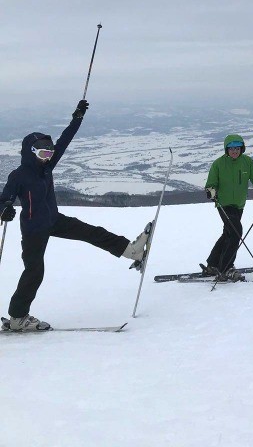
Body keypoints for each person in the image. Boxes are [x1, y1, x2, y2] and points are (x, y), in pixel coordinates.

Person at [0, 100, 150, 332]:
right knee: (34, 271)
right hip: (33, 231)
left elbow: (65, 140)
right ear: (31, 153)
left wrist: (77, 118)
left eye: (49, 152)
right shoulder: (19, 175)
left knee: (92, 232)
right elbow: (5, 198)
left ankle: (132, 251)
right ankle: (18, 317)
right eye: (43, 152)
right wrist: (6, 208)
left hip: (54, 221)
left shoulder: (47, 168)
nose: (48, 156)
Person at [203, 134, 253, 281]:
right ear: (226, 150)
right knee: (236, 231)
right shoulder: (218, 164)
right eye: (231, 149)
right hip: (223, 204)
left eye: (237, 148)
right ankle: (226, 268)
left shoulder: (247, 162)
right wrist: (211, 191)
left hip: (239, 204)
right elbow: (211, 183)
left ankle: (212, 265)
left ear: (242, 148)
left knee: (229, 234)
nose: (234, 151)